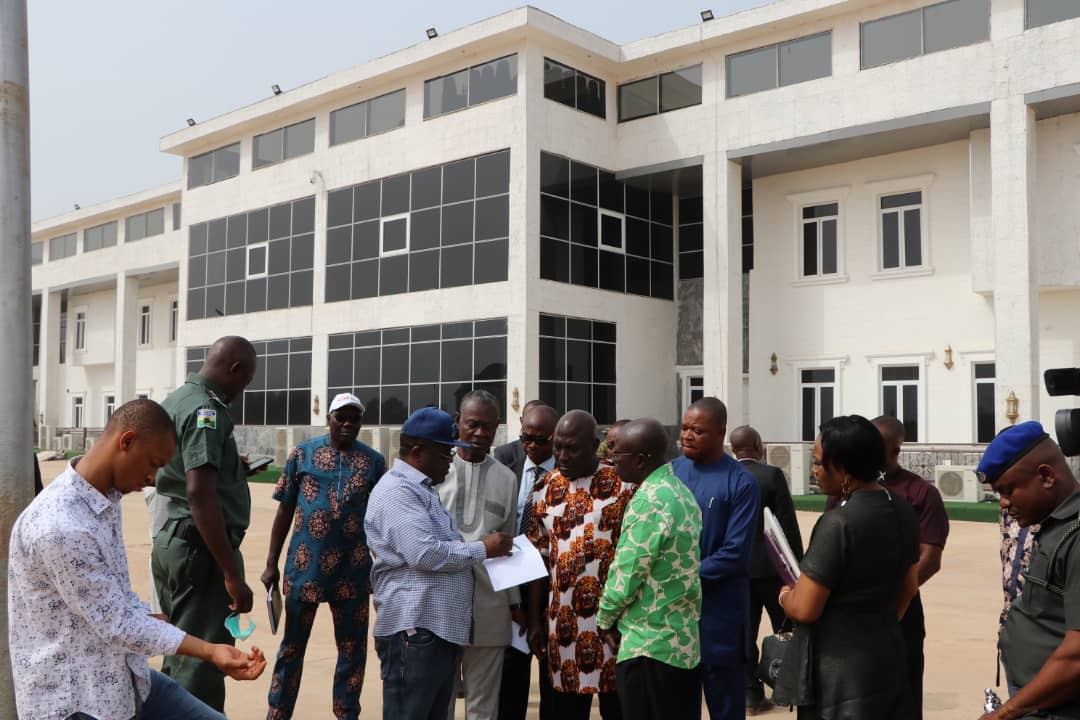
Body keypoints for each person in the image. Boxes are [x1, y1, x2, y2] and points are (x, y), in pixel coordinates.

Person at [8, 399, 267, 720]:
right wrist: (210, 651)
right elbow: (117, 623)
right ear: (126, 442)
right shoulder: (61, 526)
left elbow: (116, 598)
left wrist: (154, 619)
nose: (153, 478)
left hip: (124, 676)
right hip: (77, 701)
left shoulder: (105, 499)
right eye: (153, 464)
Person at [365, 407, 514, 720]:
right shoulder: (398, 492)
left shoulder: (423, 490)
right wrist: (483, 548)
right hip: (415, 633)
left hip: (433, 632)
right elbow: (425, 554)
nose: (451, 460)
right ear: (418, 451)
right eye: (446, 453)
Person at [774, 415, 919, 719]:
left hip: (840, 677)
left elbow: (805, 609)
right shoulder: (901, 509)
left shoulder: (838, 523)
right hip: (887, 657)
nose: (813, 471)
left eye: (816, 462)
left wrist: (786, 595)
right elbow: (908, 588)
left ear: (840, 466)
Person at [261, 392, 387, 720]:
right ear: (328, 419)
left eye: (354, 419)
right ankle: (278, 710)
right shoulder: (301, 455)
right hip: (305, 568)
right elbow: (285, 510)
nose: (347, 424)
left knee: (351, 650)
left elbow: (382, 518)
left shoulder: (374, 463)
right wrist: (271, 563)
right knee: (292, 646)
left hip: (354, 571)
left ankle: (347, 712)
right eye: (340, 417)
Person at [151, 335, 258, 710]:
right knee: (201, 664)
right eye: (244, 382)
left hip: (175, 541)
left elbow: (178, 471)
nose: (242, 391)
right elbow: (199, 493)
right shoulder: (205, 411)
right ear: (234, 369)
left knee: (178, 651)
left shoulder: (176, 400)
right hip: (201, 550)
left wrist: (231, 468)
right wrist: (231, 574)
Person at [822, 415, 948, 718]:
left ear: (896, 449)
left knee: (901, 693)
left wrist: (890, 600)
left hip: (900, 612)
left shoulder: (920, 494)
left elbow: (929, 558)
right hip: (850, 617)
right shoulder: (843, 490)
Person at [524, 409, 635, 720]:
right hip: (563, 628)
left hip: (615, 626)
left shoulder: (624, 486)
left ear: (594, 444)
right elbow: (537, 559)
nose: (561, 455)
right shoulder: (545, 487)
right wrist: (535, 620)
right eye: (557, 446)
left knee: (619, 709)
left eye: (571, 447)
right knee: (564, 712)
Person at [596, 418, 703, 720]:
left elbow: (627, 572)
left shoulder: (650, 501)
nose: (611, 459)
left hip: (648, 647)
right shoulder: (681, 493)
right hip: (682, 645)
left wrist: (604, 619)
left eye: (617, 454)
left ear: (640, 460)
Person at [978, 421, 1080, 719]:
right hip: (1037, 695)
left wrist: (1007, 712)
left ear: (1046, 476)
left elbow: (1076, 657)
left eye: (1008, 490)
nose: (1004, 504)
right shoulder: (1055, 525)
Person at [672, 397, 760, 719]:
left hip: (719, 618)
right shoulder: (670, 473)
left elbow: (734, 553)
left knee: (725, 707)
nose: (687, 435)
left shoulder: (740, 482)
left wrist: (679, 576)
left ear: (721, 432)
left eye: (698, 430)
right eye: (684, 428)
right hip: (674, 619)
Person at [437, 390, 523, 720]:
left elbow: (509, 545)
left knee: (483, 707)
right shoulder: (436, 471)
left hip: (489, 607)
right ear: (457, 421)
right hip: (440, 606)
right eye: (472, 424)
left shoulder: (506, 477)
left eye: (488, 426)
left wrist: (514, 602)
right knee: (439, 701)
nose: (480, 433)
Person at [730, 424, 804, 715]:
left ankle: (750, 696)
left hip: (737, 569)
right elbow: (786, 525)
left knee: (744, 634)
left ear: (733, 449)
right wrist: (798, 568)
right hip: (773, 570)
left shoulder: (728, 475)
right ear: (759, 446)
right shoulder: (771, 475)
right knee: (785, 630)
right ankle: (787, 688)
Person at [496, 402, 559, 720]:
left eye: (540, 439)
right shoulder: (505, 462)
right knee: (510, 682)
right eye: (526, 438)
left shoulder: (568, 466)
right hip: (512, 586)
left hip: (555, 591)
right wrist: (511, 601)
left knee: (554, 685)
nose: (531, 446)